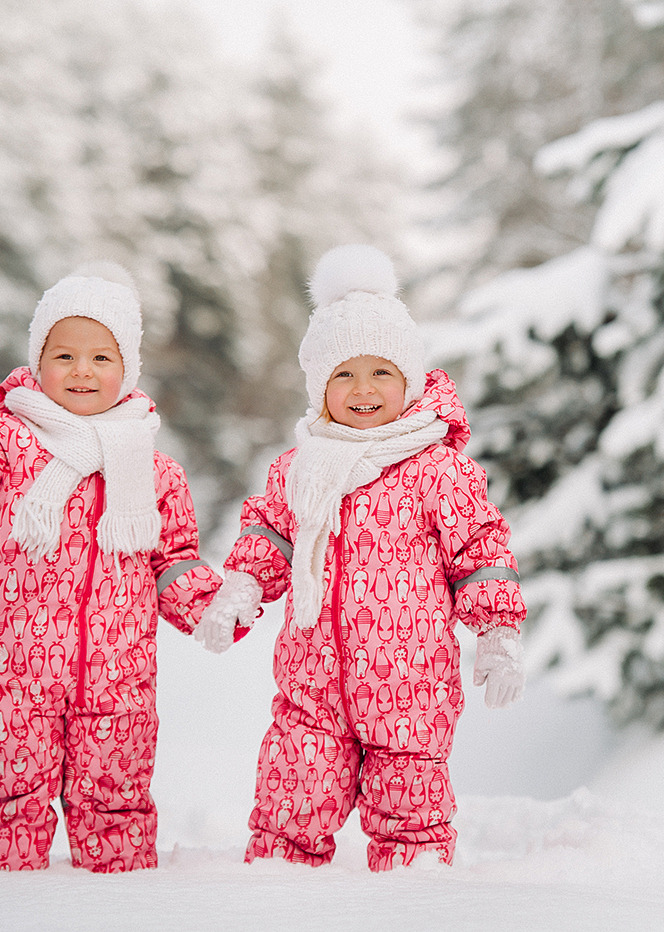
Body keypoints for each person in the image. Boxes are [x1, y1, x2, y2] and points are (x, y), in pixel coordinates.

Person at [197, 245, 527, 871]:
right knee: (288, 812)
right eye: (343, 374)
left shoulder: (438, 469)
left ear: (408, 380)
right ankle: (276, 903)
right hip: (311, 687)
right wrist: (240, 588)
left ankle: (411, 901)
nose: (363, 389)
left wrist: (497, 630)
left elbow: (480, 548)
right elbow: (268, 534)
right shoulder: (300, 467)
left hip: (410, 690)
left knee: (411, 823)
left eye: (381, 372)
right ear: (320, 387)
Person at [0, 262, 226, 872]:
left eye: (101, 358)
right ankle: (2, 902)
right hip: (11, 669)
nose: (82, 371)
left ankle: (120, 905)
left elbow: (172, 561)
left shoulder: (154, 470)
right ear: (39, 361)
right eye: (65, 356)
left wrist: (215, 606)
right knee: (8, 794)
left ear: (127, 369)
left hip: (117, 674)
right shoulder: (8, 441)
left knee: (115, 801)